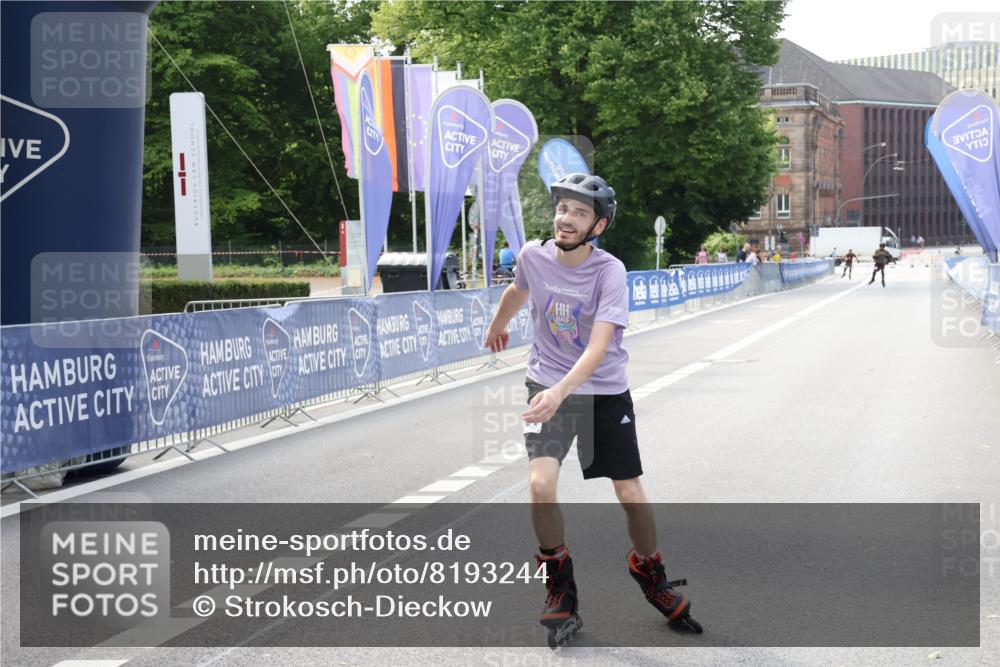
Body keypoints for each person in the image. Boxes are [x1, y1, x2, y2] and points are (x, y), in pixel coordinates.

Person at [483, 173, 702, 645]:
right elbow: (518, 289)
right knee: (540, 485)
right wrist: (498, 324)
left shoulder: (609, 272)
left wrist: (561, 392)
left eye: (579, 212)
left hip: (601, 391)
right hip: (546, 383)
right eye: (563, 208)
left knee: (629, 493)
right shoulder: (533, 256)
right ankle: (559, 584)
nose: (566, 217)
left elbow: (599, 348)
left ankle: (650, 573)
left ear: (598, 224)